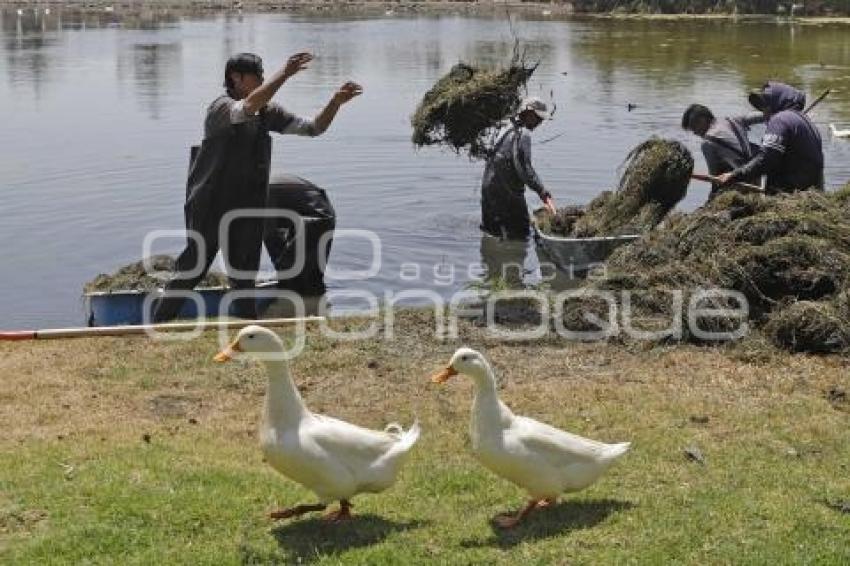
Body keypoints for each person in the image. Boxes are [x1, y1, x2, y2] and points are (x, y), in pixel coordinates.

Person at [152, 52, 361, 322]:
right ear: (235, 78)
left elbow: (313, 128)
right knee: (194, 266)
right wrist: (284, 74)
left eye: (264, 75)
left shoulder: (267, 112)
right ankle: (156, 324)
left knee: (244, 274)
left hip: (247, 203)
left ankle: (248, 329)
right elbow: (244, 109)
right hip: (210, 202)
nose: (262, 79)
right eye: (257, 75)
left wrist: (335, 103)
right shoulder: (221, 108)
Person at [717, 81, 824, 194]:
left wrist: (735, 175)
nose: (763, 112)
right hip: (808, 193)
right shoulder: (804, 121)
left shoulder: (780, 120)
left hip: (789, 194)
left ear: (777, 102)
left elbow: (766, 160)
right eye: (761, 108)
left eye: (766, 105)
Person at [480, 96, 556, 240]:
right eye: (537, 118)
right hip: (508, 196)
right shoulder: (523, 134)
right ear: (528, 113)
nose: (539, 123)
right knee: (521, 236)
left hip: (488, 192)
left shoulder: (503, 126)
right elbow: (524, 169)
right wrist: (542, 191)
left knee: (490, 235)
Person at [264, 175, 336, 295]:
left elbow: (271, 237)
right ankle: (311, 297)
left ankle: (309, 302)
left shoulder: (257, 196)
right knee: (309, 272)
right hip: (315, 211)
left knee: (294, 268)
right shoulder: (256, 190)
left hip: (318, 217)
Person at [681, 103, 764, 197]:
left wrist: (712, 198)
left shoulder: (707, 142)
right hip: (758, 172)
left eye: (694, 127)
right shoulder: (733, 120)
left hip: (744, 183)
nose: (695, 133)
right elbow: (764, 115)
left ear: (702, 120)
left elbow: (714, 176)